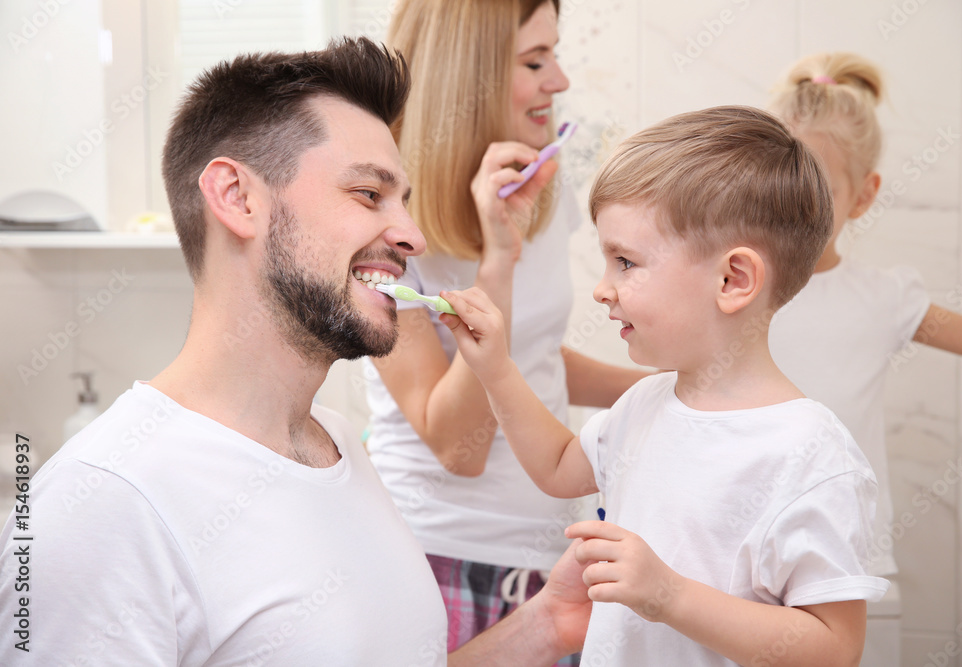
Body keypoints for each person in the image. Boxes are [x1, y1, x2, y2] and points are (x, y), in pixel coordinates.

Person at [0, 38, 592, 666]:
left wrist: (547, 624)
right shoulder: (100, 506)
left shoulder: (337, 449)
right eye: (369, 193)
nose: (411, 236)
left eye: (404, 203)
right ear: (237, 196)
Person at [437, 106, 890, 665]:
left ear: (732, 280)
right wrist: (496, 369)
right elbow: (557, 466)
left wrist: (669, 595)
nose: (602, 290)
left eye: (625, 262)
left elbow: (835, 647)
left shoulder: (810, 454)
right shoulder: (646, 403)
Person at [363, 0, 648, 654]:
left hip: (552, 553)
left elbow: (533, 354)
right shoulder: (384, 232)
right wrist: (497, 259)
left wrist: (675, 384)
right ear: (469, 76)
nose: (560, 80)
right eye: (534, 61)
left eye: (555, 53)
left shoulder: (540, 188)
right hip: (447, 557)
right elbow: (458, 444)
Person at [767, 52, 962, 578]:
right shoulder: (730, 286)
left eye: (818, 190)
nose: (792, 207)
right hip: (740, 540)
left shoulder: (883, 298)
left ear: (862, 195)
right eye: (778, 181)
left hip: (841, 549)